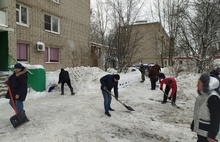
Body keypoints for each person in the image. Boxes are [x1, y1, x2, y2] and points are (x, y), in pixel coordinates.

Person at [191, 74, 220, 142]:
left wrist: (212, 135)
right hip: (202, 132)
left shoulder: (213, 98)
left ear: (205, 84)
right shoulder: (202, 96)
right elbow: (199, 112)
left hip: (208, 134)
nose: (197, 85)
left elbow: (216, 118)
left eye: (199, 83)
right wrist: (194, 123)